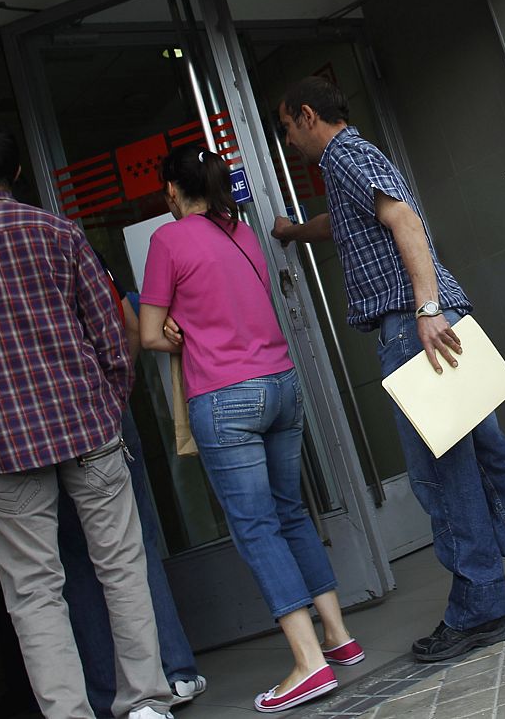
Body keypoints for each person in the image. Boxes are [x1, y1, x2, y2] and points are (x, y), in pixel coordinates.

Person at [271, 78, 505, 663]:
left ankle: (480, 607)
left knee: (443, 474)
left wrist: (426, 309)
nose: (289, 143)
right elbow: (350, 226)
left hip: (416, 329)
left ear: (307, 115)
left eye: (287, 129)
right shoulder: (354, 161)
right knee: (487, 459)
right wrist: (293, 232)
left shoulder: (345, 156)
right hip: (431, 321)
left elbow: (404, 221)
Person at [0, 122, 171, 719]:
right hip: (85, 425)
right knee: (121, 567)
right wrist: (110, 403)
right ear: (19, 173)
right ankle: (147, 703)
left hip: (0, 447)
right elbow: (109, 333)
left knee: (32, 593)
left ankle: (69, 714)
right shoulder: (58, 232)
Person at [138, 144, 358, 713]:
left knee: (256, 528)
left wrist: (180, 334)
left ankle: (308, 664)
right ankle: (337, 635)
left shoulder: (168, 240)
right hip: (282, 384)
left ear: (171, 191)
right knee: (289, 512)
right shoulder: (242, 233)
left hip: (226, 396)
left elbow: (150, 334)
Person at [60, 273, 206, 716]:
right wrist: (116, 394)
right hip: (95, 414)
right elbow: (124, 317)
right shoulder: (66, 245)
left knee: (74, 563)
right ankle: (174, 671)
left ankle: (106, 694)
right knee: (131, 545)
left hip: (24, 431)